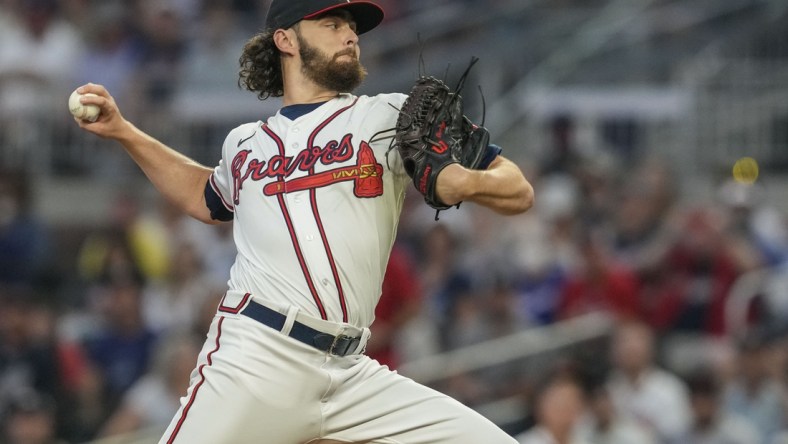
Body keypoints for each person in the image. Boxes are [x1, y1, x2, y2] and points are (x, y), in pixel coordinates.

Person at [71, 0, 534, 442]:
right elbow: (205, 196)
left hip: (352, 371)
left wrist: (465, 183)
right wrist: (124, 132)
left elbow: (517, 187)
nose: (351, 35)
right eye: (332, 25)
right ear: (286, 40)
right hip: (258, 355)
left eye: (352, 27)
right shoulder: (246, 142)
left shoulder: (389, 116)